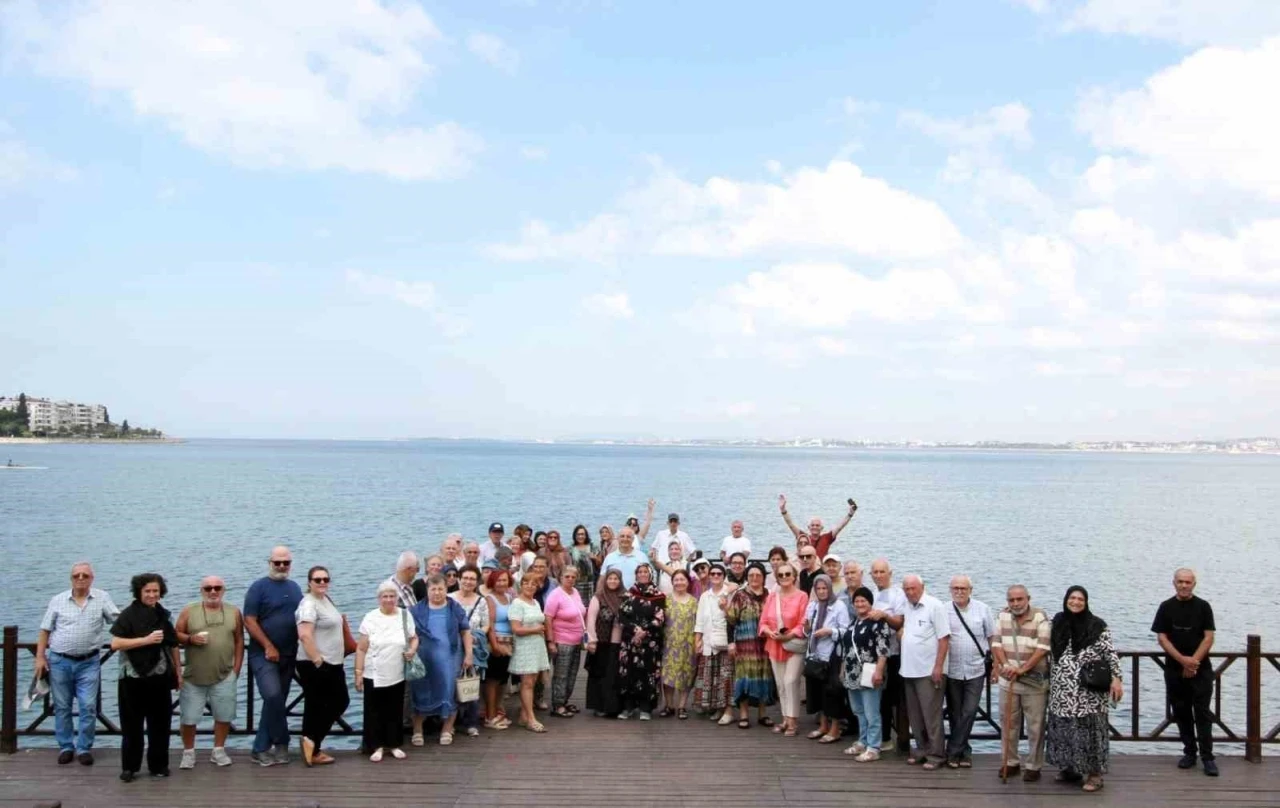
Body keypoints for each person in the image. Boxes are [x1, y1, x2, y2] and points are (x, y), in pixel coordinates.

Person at [34, 562, 120, 766]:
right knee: (62, 706)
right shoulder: (58, 600)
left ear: (92, 578)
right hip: (60, 661)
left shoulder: (102, 598)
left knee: (88, 706)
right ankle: (66, 746)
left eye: (85, 575)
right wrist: (40, 657)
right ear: (71, 578)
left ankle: (83, 748)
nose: (80, 578)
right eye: (76, 575)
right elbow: (45, 630)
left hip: (89, 662)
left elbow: (118, 622)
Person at [1046, 586, 1123, 793]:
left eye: (1080, 599)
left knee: (1090, 731)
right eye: (1072, 598)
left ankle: (1095, 775)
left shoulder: (1097, 626)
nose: (1076, 602)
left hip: (1088, 691)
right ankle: (1070, 769)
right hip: (1062, 690)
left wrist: (1116, 678)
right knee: (1065, 730)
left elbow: (1110, 654)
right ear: (1066, 600)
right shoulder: (1057, 622)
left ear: (1086, 602)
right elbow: (1037, 628)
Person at [109, 573, 181, 782]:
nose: (152, 595)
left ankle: (158, 765)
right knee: (132, 725)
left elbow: (173, 644)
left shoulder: (164, 615)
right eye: (147, 591)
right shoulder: (128, 614)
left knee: (160, 724)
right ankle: (130, 767)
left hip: (160, 676)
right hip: (132, 677)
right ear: (139, 592)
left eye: (155, 591)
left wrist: (178, 671)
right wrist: (145, 640)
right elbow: (115, 643)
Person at [1152, 568, 1217, 776]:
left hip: (1201, 669)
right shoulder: (1166, 607)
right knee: (1181, 712)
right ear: (1174, 583)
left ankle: (1208, 757)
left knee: (1203, 713)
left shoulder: (1203, 606)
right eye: (1180, 581)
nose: (1184, 585)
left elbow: (1208, 637)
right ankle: (1190, 752)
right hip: (1174, 669)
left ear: (1194, 584)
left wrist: (1193, 662)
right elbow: (1162, 638)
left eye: (1188, 582)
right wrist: (1182, 661)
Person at [175, 575, 243, 770]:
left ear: (224, 590)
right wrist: (190, 639)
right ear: (201, 591)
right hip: (193, 676)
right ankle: (188, 752)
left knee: (224, 716)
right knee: (188, 718)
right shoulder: (189, 610)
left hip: (225, 674)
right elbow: (175, 635)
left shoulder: (234, 611)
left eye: (217, 588)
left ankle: (218, 750)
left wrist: (236, 669)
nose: (213, 591)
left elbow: (239, 639)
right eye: (208, 588)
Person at [244, 546, 303, 767]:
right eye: (277, 562)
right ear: (269, 562)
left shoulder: (295, 587)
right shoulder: (258, 588)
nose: (281, 566)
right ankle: (281, 742)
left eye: (286, 563)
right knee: (272, 695)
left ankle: (262, 748)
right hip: (263, 654)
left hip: (289, 654)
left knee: (277, 702)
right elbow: (249, 620)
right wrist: (268, 646)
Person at [992, 584, 1051, 782]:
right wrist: (1006, 665)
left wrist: (1023, 669)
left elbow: (1043, 648)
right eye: (1012, 600)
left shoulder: (1040, 617)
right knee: (1008, 724)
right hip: (1008, 680)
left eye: (1019, 599)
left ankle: (1034, 765)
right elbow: (996, 644)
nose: (1016, 603)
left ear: (1028, 599)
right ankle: (1010, 762)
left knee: (1035, 726)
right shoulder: (1002, 616)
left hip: (1034, 682)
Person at [355, 581, 419, 762]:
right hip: (373, 672)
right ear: (379, 599)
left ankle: (394, 744)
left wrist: (412, 650)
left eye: (392, 596)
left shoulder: (405, 615)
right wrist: (358, 672)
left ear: (397, 598)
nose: (389, 600)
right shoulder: (370, 617)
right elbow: (361, 648)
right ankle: (376, 746)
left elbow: (414, 638)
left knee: (395, 709)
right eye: (385, 596)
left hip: (397, 671)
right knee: (374, 710)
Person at [295, 565, 349, 767]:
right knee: (334, 702)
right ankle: (312, 744)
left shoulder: (325, 600)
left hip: (332, 662)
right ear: (309, 582)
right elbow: (304, 635)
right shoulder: (308, 604)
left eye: (326, 579)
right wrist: (318, 660)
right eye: (317, 580)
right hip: (315, 664)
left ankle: (311, 744)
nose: (322, 582)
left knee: (320, 705)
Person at [410, 574, 474, 745]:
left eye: (440, 589)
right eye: (433, 589)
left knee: (449, 690)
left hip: (450, 657)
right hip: (424, 657)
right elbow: (409, 634)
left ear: (446, 589)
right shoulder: (416, 610)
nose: (437, 593)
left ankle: (447, 729)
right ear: (427, 590)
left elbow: (465, 631)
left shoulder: (455, 608)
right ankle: (417, 730)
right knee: (421, 691)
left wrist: (469, 654)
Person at [944, 575, 997, 769]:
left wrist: (997, 665)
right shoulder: (943, 610)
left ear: (970, 590)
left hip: (976, 669)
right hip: (952, 669)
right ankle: (964, 752)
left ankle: (952, 750)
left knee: (969, 711)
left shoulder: (983, 609)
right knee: (955, 713)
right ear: (950, 590)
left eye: (963, 588)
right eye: (956, 588)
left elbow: (992, 637)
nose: (959, 591)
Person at [900, 574, 951, 770]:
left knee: (932, 716)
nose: (910, 592)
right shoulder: (907, 606)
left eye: (913, 588)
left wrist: (938, 667)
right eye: (906, 589)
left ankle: (937, 754)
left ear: (922, 587)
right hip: (909, 669)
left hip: (928, 671)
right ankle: (922, 749)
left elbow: (944, 638)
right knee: (915, 716)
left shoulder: (935, 606)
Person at [840, 586, 892, 761]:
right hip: (852, 673)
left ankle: (874, 746)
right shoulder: (853, 623)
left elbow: (883, 649)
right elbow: (846, 648)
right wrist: (842, 670)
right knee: (859, 711)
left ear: (870, 602)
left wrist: (879, 671)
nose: (860, 604)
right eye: (857, 601)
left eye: (863, 601)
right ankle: (863, 741)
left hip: (869, 672)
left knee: (872, 712)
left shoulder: (878, 622)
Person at [759, 561, 809, 737]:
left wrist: (789, 635)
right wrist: (768, 632)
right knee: (780, 684)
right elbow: (763, 621)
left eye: (788, 574)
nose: (784, 577)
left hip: (793, 644)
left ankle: (793, 720)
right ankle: (785, 718)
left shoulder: (802, 596)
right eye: (781, 575)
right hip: (775, 644)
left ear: (794, 576)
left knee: (790, 681)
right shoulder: (772, 597)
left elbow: (804, 622)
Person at [725, 562, 776, 727]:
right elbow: (730, 621)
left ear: (764, 577)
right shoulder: (740, 595)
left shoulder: (770, 596)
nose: (755, 578)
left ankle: (763, 714)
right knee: (744, 679)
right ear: (747, 577)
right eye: (751, 575)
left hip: (765, 645)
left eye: (758, 575)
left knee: (764, 677)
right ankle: (744, 715)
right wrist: (731, 643)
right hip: (744, 644)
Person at [802, 573, 849, 743]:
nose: (822, 592)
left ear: (830, 588)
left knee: (832, 691)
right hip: (815, 655)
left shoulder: (839, 606)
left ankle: (835, 728)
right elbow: (806, 631)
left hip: (831, 656)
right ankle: (823, 725)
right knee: (817, 692)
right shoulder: (812, 605)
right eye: (818, 588)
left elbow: (845, 631)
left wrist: (829, 631)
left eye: (824, 588)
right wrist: (807, 628)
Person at [868, 558, 908, 752]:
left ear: (890, 573)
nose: (878, 575)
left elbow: (899, 622)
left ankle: (896, 739)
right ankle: (880, 736)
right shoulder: (873, 593)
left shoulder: (898, 594)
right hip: (874, 654)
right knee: (875, 695)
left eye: (882, 572)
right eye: (875, 572)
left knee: (891, 698)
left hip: (893, 653)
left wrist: (884, 616)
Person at [617, 563, 666, 720]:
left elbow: (660, 617)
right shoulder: (629, 593)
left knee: (648, 673)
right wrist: (635, 630)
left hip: (650, 640)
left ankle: (646, 708)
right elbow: (622, 615)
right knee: (628, 672)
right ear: (636, 574)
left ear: (651, 574)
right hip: (630, 640)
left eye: (646, 572)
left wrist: (644, 631)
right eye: (640, 572)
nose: (643, 574)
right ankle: (628, 707)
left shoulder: (659, 595)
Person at [450, 565, 491, 737]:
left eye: (472, 579)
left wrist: (477, 636)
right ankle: (450, 722)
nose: (468, 582)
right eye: (465, 578)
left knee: (471, 685)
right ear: (459, 579)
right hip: (452, 649)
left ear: (477, 582)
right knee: (451, 685)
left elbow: (486, 624)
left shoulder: (481, 601)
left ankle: (471, 723)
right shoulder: (449, 598)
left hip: (473, 648)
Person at [509, 572, 552, 733]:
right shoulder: (517, 603)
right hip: (524, 646)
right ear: (521, 585)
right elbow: (516, 628)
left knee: (532, 682)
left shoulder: (535, 602)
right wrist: (536, 629)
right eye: (526, 583)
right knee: (527, 683)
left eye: (533, 584)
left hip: (537, 645)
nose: (530, 586)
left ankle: (523, 715)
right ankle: (531, 718)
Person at [544, 567, 587, 719]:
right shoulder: (555, 595)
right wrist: (550, 641)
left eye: (573, 577)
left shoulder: (575, 592)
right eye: (567, 576)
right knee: (561, 675)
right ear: (560, 577)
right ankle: (558, 705)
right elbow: (548, 618)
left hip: (576, 641)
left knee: (572, 673)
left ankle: (564, 700)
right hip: (561, 640)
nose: (570, 579)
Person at [694, 562, 734, 724]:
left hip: (725, 641)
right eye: (713, 574)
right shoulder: (705, 596)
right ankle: (718, 708)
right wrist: (697, 640)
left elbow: (733, 619)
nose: (716, 576)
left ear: (724, 577)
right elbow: (699, 620)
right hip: (709, 642)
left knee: (726, 677)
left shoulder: (730, 593)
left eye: (719, 574)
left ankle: (729, 710)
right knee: (713, 677)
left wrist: (725, 607)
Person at [585, 568, 626, 718]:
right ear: (605, 580)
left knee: (614, 675)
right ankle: (599, 706)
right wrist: (591, 639)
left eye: (616, 579)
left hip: (618, 643)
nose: (613, 581)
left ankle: (613, 706)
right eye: (610, 578)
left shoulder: (625, 596)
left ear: (620, 581)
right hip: (600, 642)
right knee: (599, 674)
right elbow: (590, 619)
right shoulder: (598, 597)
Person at [660, 569, 698, 719]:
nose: (679, 582)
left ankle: (682, 706)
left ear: (688, 582)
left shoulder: (694, 602)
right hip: (669, 643)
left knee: (686, 674)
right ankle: (669, 705)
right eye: (676, 580)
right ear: (672, 582)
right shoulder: (665, 600)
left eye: (682, 579)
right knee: (667, 675)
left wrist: (698, 641)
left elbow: (699, 624)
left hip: (688, 644)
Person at [482, 569, 515, 729]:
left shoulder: (509, 597)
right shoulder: (490, 598)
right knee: (492, 680)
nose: (501, 583)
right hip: (496, 642)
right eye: (498, 580)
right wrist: (495, 645)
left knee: (502, 680)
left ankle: (497, 712)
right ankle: (490, 716)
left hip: (509, 643)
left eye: (504, 580)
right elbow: (490, 624)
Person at [778, 493, 858, 558]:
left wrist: (850, 514)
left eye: (817, 525)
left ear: (821, 528)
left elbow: (840, 527)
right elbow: (791, 525)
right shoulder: (804, 537)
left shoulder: (827, 538)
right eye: (812, 525)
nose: (815, 527)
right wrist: (783, 510)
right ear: (809, 527)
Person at [569, 524, 598, 601]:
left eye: (582, 534)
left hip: (591, 583)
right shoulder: (571, 549)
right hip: (576, 582)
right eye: (578, 534)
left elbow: (600, 564)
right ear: (575, 536)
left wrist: (595, 558)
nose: (580, 536)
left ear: (586, 535)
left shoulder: (592, 547)